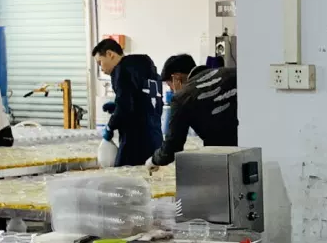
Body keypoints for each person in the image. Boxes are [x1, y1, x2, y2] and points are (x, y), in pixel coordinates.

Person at [150, 53, 238, 167]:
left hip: (227, 157)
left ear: (176, 78)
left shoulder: (182, 97)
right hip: (254, 142)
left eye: (169, 85)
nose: (171, 91)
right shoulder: (232, 73)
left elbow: (170, 150)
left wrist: (153, 160)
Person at [92, 37, 162, 167]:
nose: (101, 69)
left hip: (134, 142)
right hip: (156, 139)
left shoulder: (121, 70)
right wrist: (117, 107)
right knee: (151, 177)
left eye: (100, 62)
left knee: (124, 176)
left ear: (110, 54)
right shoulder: (150, 72)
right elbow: (145, 102)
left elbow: (125, 106)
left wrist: (110, 126)